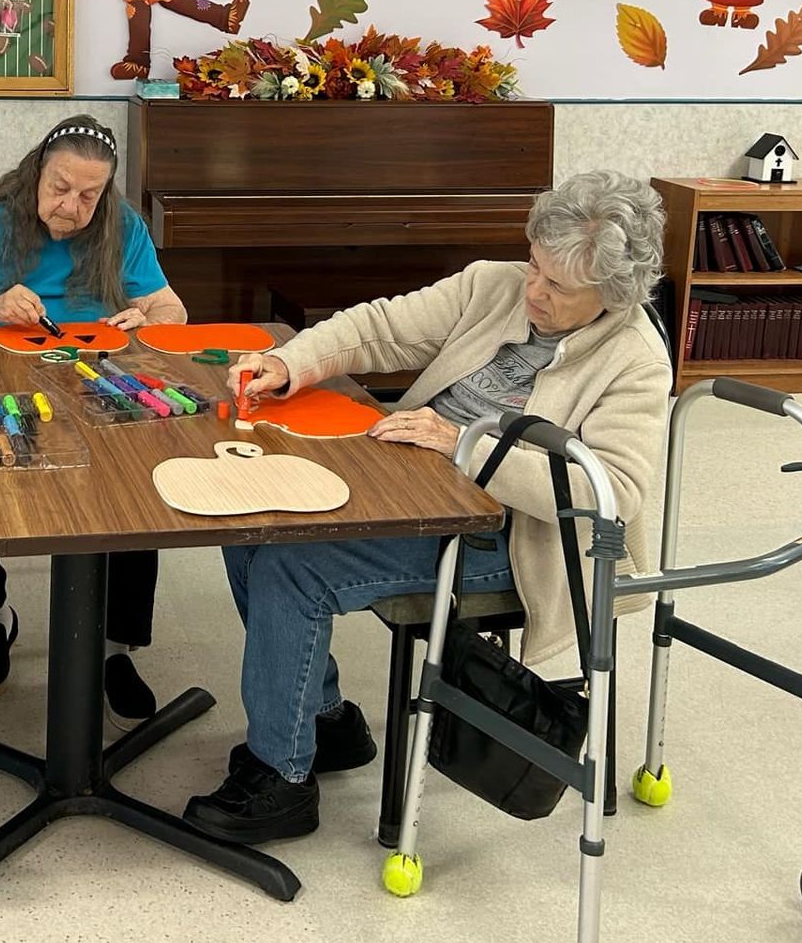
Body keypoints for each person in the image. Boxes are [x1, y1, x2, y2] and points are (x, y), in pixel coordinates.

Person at [182, 172, 670, 844]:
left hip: (515, 539)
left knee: (294, 566)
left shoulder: (636, 360)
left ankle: (280, 780)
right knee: (253, 518)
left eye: (557, 286)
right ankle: (323, 722)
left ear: (613, 295)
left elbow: (608, 491)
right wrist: (288, 363)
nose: (533, 290)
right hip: (419, 488)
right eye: (534, 265)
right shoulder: (492, 285)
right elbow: (382, 328)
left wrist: (459, 444)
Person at [0, 115, 186, 727]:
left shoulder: (122, 224)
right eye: (61, 187)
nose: (73, 206)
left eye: (90, 194)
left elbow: (171, 308)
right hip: (4, 371)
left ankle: (115, 646)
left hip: (93, 369)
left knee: (138, 481)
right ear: (38, 170)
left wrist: (150, 318)